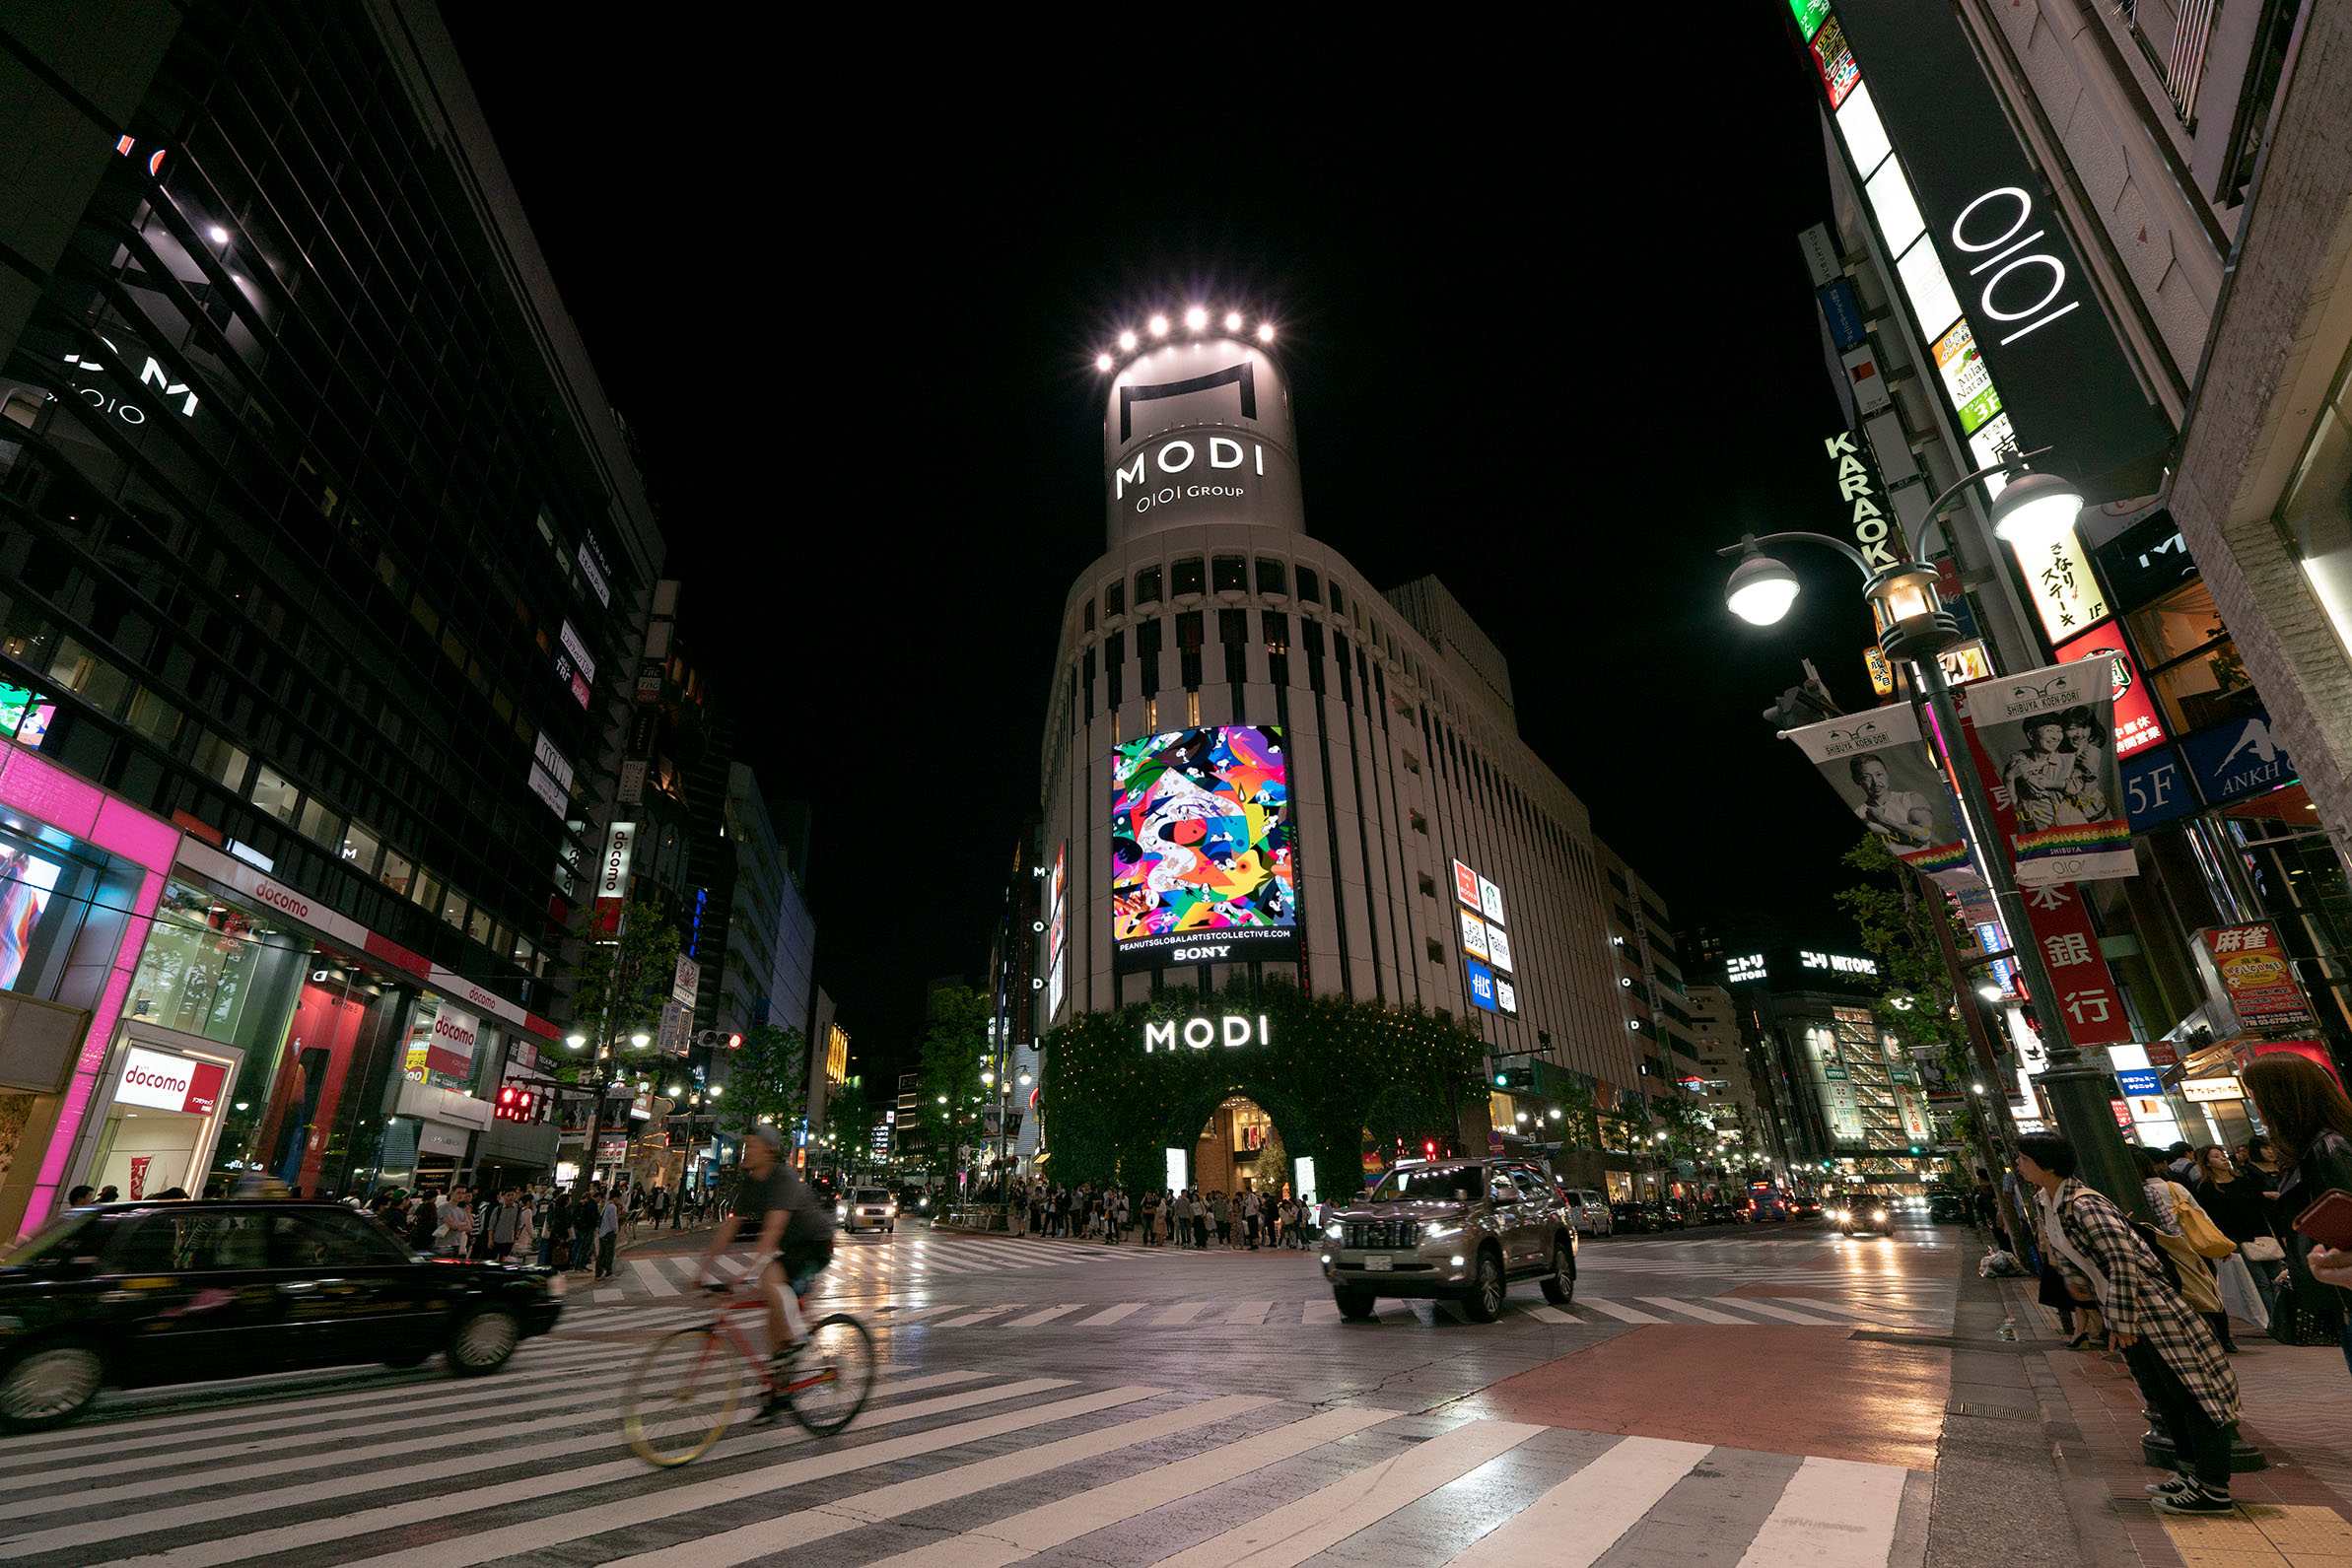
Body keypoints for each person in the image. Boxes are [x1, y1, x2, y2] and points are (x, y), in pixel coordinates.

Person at [2016, 1132, 2241, 1515]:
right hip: (2122, 1308)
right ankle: (2189, 1473)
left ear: (2047, 1165)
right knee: (2162, 1394)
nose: (2017, 1165)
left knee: (2189, 1392)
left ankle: (2213, 1488)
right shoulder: (2045, 1201)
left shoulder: (2084, 1204)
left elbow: (2123, 1261)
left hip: (2150, 1308)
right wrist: (2084, 1294)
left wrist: (2119, 1321)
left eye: (2023, 1158)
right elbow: (2068, 1254)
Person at [694, 1125, 832, 1421]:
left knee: (770, 1277)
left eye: (752, 1146)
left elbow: (773, 1230)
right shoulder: (750, 1183)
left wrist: (748, 1272)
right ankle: (778, 1392)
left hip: (815, 1244)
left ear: (769, 1151)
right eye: (745, 1146)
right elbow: (730, 1227)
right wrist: (703, 1269)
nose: (746, 1151)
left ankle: (799, 1340)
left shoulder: (783, 1177)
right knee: (773, 1321)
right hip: (792, 1249)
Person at [2242, 1053, 2352, 1376]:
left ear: (2282, 1097)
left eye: (2257, 1096)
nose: (2256, 1106)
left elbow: (2342, 1228)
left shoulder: (2329, 1148)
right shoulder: (2319, 1146)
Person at [2133, 1145, 2236, 1353]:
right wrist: (2219, 1243)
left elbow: (2165, 1225)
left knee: (2186, 1297)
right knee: (2210, 1292)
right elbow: (2202, 1216)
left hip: (2168, 1251)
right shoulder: (2176, 1187)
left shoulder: (2143, 1192)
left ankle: (2204, 1339)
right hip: (2194, 1247)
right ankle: (2225, 1339)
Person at [1850, 754, 1936, 849]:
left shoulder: (1912, 799)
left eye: (1879, 774)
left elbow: (1924, 835)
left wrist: (1882, 820)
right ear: (1857, 780)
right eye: (1867, 777)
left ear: (1887, 773)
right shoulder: (1858, 814)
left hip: (1925, 861)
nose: (1876, 782)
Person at [2003, 718, 2074, 834]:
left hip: (2070, 831)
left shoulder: (2068, 760)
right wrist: (2009, 780)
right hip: (2035, 834)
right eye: (2049, 730)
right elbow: (2011, 809)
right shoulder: (2017, 764)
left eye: (2059, 731)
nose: (2056, 737)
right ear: (2031, 734)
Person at [485, 1188, 525, 1262]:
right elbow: (491, 1226)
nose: (510, 1197)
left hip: (509, 1241)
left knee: (504, 1261)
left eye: (512, 1195)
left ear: (515, 1195)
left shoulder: (518, 1209)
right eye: (508, 1195)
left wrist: (516, 1239)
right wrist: (490, 1240)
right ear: (504, 1196)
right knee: (492, 1260)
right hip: (497, 1240)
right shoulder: (498, 1209)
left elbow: (519, 1225)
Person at [436, 1185, 474, 1258]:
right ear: (452, 1192)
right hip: (444, 1245)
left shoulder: (462, 1211)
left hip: (457, 1244)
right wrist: (464, 1223)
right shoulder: (443, 1208)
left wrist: (457, 1225)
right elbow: (453, 1226)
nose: (461, 1196)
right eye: (458, 1193)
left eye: (463, 1193)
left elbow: (469, 1228)